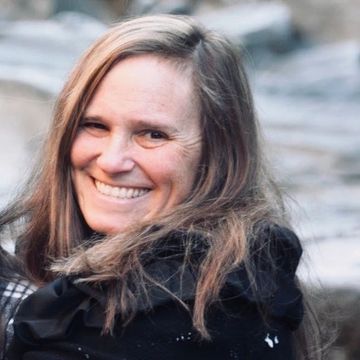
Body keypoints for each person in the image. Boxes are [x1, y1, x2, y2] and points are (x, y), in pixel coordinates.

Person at [1, 14, 323, 359]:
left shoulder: (205, 309)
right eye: (94, 125)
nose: (112, 161)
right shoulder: (67, 269)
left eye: (153, 134)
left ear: (219, 153)